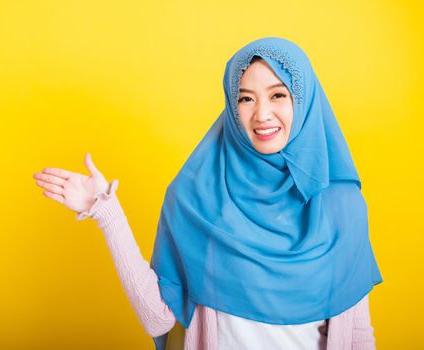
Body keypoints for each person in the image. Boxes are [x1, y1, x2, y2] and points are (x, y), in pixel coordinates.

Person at [32, 37, 383, 350]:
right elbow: (159, 318)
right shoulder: (194, 199)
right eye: (246, 98)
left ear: (304, 103)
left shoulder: (342, 207)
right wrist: (105, 212)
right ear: (232, 108)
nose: (262, 114)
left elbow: (357, 337)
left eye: (278, 95)